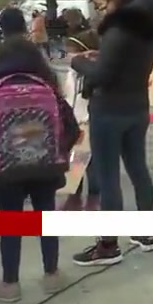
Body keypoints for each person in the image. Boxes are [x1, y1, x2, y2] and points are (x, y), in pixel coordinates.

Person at [70, 0, 153, 266]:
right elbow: (127, 60)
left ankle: (108, 245)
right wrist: (104, 55)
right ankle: (146, 233)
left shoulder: (118, 31)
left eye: (101, 6)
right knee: (138, 168)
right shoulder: (149, 28)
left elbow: (101, 76)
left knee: (108, 176)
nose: (100, 12)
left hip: (109, 109)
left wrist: (77, 60)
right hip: (137, 106)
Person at [0, 37, 80, 302]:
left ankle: (10, 284)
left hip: (6, 171)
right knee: (45, 218)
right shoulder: (48, 88)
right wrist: (55, 152)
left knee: (10, 222)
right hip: (45, 169)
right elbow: (72, 129)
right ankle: (52, 275)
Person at [58, 30, 102, 211]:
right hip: (73, 119)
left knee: (91, 162)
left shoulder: (93, 70)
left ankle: (94, 196)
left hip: (88, 120)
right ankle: (74, 195)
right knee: (75, 160)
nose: (69, 56)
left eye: (72, 51)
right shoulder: (72, 71)